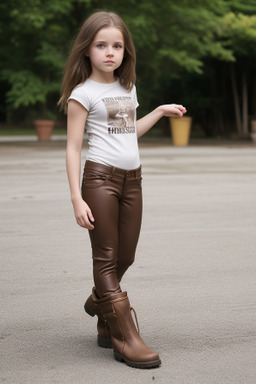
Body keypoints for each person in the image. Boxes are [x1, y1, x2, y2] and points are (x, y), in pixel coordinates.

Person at [58, 11, 186, 369]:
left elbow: (127, 133)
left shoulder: (126, 88)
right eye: (101, 45)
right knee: (106, 258)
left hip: (133, 180)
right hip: (99, 180)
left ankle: (100, 304)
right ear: (87, 50)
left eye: (117, 46)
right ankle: (124, 336)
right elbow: (72, 147)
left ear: (125, 51)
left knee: (124, 256)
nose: (110, 52)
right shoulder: (82, 94)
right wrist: (76, 197)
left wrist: (158, 111)